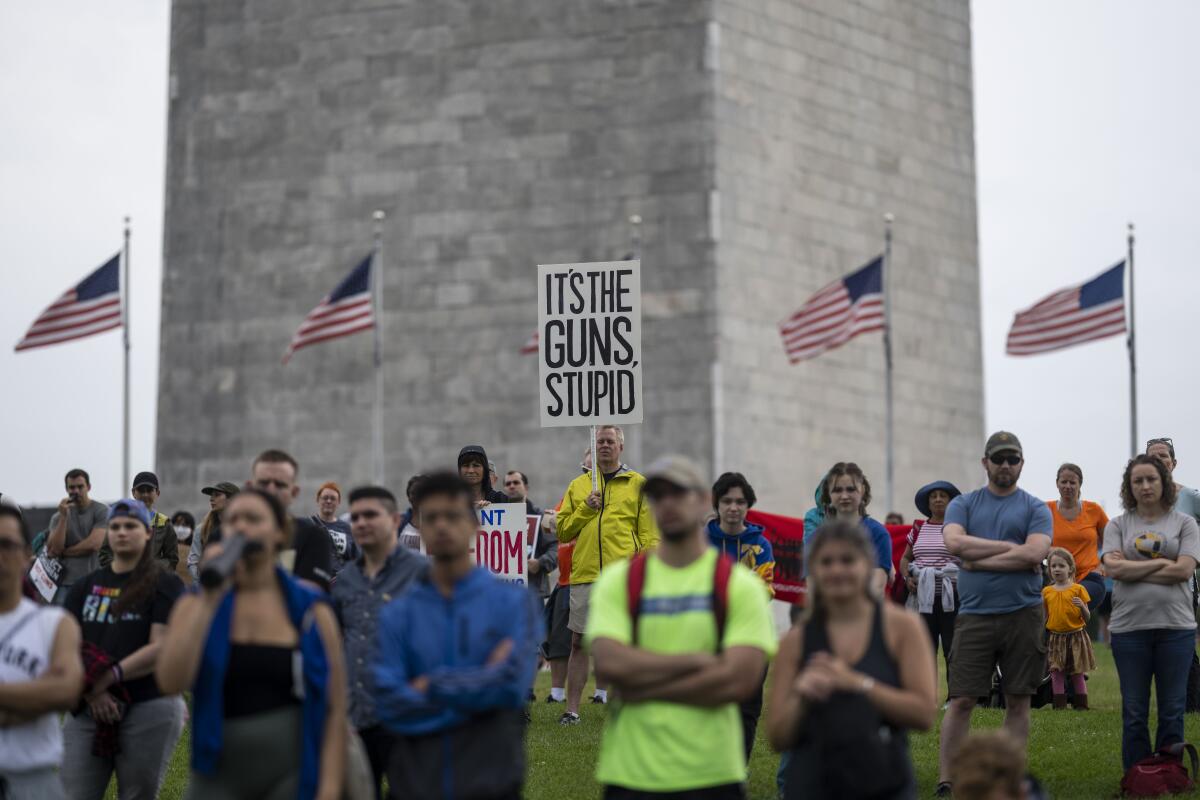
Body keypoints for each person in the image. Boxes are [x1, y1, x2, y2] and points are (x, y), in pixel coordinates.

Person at [587, 455, 775, 799]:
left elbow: (742, 679)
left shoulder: (740, 585)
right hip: (631, 773)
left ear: (703, 501)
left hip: (712, 773)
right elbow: (610, 665)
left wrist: (642, 686)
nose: (668, 503)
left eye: (679, 493)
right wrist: (698, 663)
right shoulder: (619, 581)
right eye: (658, 496)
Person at [156, 488, 347, 800]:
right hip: (217, 772)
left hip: (294, 772)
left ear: (279, 533)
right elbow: (169, 680)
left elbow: (336, 707)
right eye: (233, 521)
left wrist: (327, 788)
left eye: (253, 519)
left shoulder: (312, 608)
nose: (241, 527)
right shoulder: (195, 603)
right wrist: (210, 598)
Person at [373, 472, 541, 800]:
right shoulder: (397, 613)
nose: (441, 525)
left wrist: (428, 685)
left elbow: (510, 688)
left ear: (475, 526)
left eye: (453, 516)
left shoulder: (514, 603)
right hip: (415, 784)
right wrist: (480, 682)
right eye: (431, 517)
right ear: (419, 526)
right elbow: (389, 702)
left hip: (492, 782)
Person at [769, 518, 935, 799]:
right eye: (826, 562)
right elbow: (777, 736)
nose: (837, 570)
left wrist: (859, 683)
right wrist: (801, 696)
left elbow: (923, 714)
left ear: (867, 564)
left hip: (884, 784)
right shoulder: (795, 641)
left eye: (847, 560)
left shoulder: (902, 628)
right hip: (813, 785)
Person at [936, 432, 1052, 798]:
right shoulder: (964, 505)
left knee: (1018, 700)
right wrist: (1009, 548)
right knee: (962, 700)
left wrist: (977, 559)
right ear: (985, 462)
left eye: (1012, 459)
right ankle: (948, 780)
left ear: (1021, 463)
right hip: (974, 616)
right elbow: (954, 543)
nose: (1005, 465)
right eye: (998, 458)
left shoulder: (1035, 508)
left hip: (1024, 614)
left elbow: (1035, 554)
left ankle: (1007, 777)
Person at [61, 498, 186, 800]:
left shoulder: (165, 584)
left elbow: (161, 647)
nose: (121, 532)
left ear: (146, 533)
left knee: (137, 795)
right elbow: (67, 646)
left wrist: (110, 676)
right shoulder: (84, 586)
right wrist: (94, 691)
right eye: (115, 526)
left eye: (130, 526)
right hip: (88, 706)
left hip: (147, 704)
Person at [1102, 455, 1200, 771]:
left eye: (1151, 479)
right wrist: (1161, 563)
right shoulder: (1118, 525)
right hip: (1129, 631)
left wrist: (1134, 568)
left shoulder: (1185, 524)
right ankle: (1138, 775)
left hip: (1176, 629)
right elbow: (1112, 567)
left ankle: (1169, 773)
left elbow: (1184, 570)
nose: (1145, 486)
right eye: (1138, 481)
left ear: (1164, 482)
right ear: (1129, 488)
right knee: (1134, 711)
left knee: (1173, 709)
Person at [555, 425, 658, 724]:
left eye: (610, 441)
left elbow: (650, 535)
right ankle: (571, 710)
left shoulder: (639, 484)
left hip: (623, 575)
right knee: (579, 643)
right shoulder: (578, 486)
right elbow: (563, 530)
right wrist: (586, 509)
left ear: (620, 447)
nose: (604, 446)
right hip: (586, 573)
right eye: (599, 441)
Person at [332, 486, 426, 800]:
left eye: (371, 515)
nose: (361, 523)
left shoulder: (423, 575)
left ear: (395, 519)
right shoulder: (344, 581)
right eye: (355, 516)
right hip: (355, 719)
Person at [0, 503, 84, 798]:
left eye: (6, 545)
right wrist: (31, 698)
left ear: (27, 557)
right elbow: (48, 693)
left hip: (32, 783)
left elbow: (65, 691)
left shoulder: (54, 624)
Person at [706, 471, 775, 762]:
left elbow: (764, 590)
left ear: (748, 505)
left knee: (747, 710)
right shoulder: (699, 542)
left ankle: (738, 768)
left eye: (740, 501)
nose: (733, 507)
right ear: (717, 505)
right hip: (707, 636)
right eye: (727, 501)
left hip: (751, 637)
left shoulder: (761, 545)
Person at [898, 480, 961, 689]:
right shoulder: (918, 527)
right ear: (928, 503)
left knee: (953, 647)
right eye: (934, 496)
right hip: (923, 597)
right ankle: (927, 696)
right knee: (925, 647)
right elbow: (905, 559)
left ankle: (954, 697)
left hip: (951, 597)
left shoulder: (959, 529)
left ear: (951, 501)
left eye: (943, 495)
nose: (938, 499)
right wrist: (907, 578)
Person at [250, 449, 335, 591]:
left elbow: (312, 595)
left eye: (280, 485)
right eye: (263, 483)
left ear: (294, 492)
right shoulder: (224, 535)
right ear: (250, 487)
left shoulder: (313, 537)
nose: (271, 491)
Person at [819, 463, 893, 595]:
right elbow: (814, 585)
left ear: (862, 490)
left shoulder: (878, 534)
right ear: (828, 494)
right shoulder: (818, 537)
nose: (844, 496)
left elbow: (877, 587)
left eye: (851, 489)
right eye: (837, 490)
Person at [1046, 463, 1109, 613]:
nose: (1068, 486)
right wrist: (1049, 550)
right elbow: (1035, 542)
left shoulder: (1094, 510)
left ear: (1080, 484)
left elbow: (1113, 541)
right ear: (1057, 483)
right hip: (1055, 577)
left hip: (1089, 577)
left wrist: (1104, 566)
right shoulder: (1045, 510)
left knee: (1070, 601)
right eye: (1064, 482)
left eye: (1072, 482)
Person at [44, 468, 108, 605]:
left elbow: (94, 544)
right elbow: (54, 550)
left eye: (80, 486)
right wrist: (63, 517)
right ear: (66, 489)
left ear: (88, 487)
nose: (76, 491)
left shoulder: (101, 511)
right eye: (72, 487)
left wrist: (65, 552)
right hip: (65, 584)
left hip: (94, 581)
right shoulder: (58, 516)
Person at [1042, 547, 1095, 710]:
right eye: (1053, 566)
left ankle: (1081, 705)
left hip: (1076, 636)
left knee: (1076, 672)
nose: (1057, 569)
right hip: (1055, 637)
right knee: (1056, 672)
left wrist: (1082, 607)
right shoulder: (1046, 592)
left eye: (1061, 566)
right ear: (1049, 569)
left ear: (1070, 568)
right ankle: (1059, 706)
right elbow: (1045, 617)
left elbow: (1087, 618)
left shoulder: (1078, 590)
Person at [101, 472, 179, 574]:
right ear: (133, 492)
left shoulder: (164, 522)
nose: (145, 494)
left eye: (149, 490)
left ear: (157, 493)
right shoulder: (119, 520)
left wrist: (150, 568)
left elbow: (172, 559)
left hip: (153, 580)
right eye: (141, 490)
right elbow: (104, 554)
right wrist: (123, 567)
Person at [188, 481, 240, 581]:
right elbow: (193, 562)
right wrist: (205, 582)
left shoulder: (244, 528)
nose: (211, 499)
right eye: (211, 496)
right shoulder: (202, 529)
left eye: (217, 495)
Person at [313, 481, 358, 574]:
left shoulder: (347, 528)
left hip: (340, 583)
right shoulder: (309, 525)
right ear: (318, 500)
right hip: (314, 580)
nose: (329, 501)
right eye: (325, 498)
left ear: (338, 503)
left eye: (333, 499)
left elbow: (355, 559)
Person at [398, 474, 424, 551]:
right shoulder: (399, 522)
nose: (417, 496)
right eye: (413, 493)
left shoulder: (441, 522)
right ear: (408, 496)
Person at [171, 511, 196, 585]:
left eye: (185, 525)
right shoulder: (163, 550)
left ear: (192, 530)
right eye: (177, 524)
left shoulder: (196, 552)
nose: (180, 528)